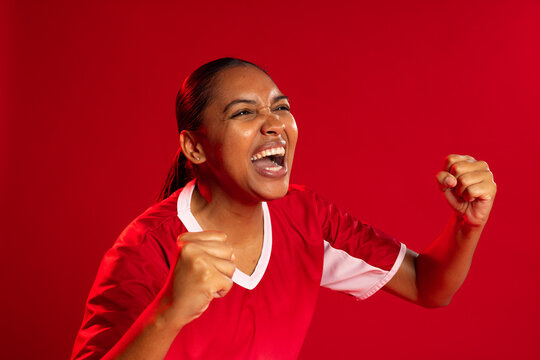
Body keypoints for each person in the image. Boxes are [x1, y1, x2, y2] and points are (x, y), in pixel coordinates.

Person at [71, 58, 497, 360]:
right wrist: (168, 311)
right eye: (244, 112)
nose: (274, 123)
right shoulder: (144, 250)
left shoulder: (307, 217)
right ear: (195, 147)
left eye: (281, 107)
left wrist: (467, 224)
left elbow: (427, 286)